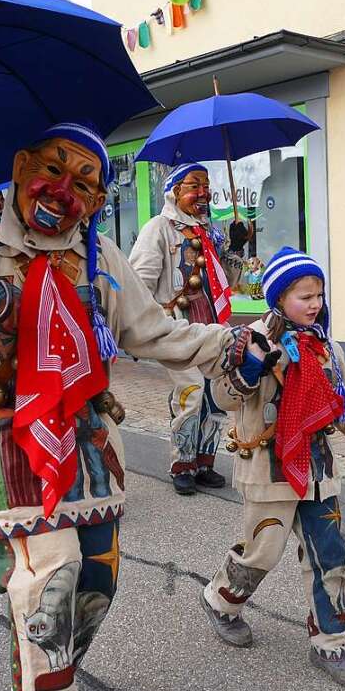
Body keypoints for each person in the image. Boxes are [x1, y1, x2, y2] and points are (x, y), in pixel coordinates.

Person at [0, 123, 238, 691]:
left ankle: (42, 674)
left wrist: (230, 346)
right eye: (53, 170)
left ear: (97, 201)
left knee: (97, 583)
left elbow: (151, 331)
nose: (64, 190)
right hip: (3, 434)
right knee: (48, 577)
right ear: (20, 167)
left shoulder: (100, 253)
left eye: (84, 182)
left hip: (86, 434)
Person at [200, 248, 345, 687]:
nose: (315, 304)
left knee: (330, 554)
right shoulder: (249, 339)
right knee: (261, 552)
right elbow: (219, 398)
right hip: (267, 470)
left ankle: (332, 641)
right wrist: (251, 368)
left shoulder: (328, 347)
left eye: (319, 295)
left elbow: (343, 406)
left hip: (318, 470)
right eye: (304, 296)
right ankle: (221, 600)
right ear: (278, 297)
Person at [129, 163, 249, 495]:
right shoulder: (159, 228)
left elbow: (228, 281)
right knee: (191, 394)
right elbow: (139, 282)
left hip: (213, 326)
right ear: (175, 191)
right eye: (194, 185)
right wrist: (142, 327)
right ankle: (182, 462)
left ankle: (204, 462)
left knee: (216, 397)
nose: (203, 193)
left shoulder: (211, 232)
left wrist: (236, 247)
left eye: (206, 186)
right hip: (179, 329)